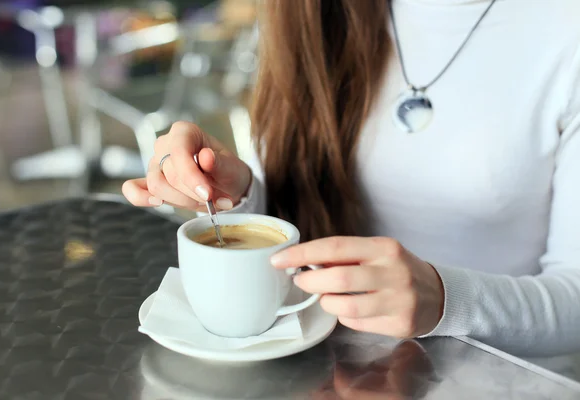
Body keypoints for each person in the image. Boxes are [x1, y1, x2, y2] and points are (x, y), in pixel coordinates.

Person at [122, 0, 580, 357]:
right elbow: (299, 231)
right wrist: (241, 193)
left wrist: (446, 300)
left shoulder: (564, 28)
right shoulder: (309, 16)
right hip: (329, 369)